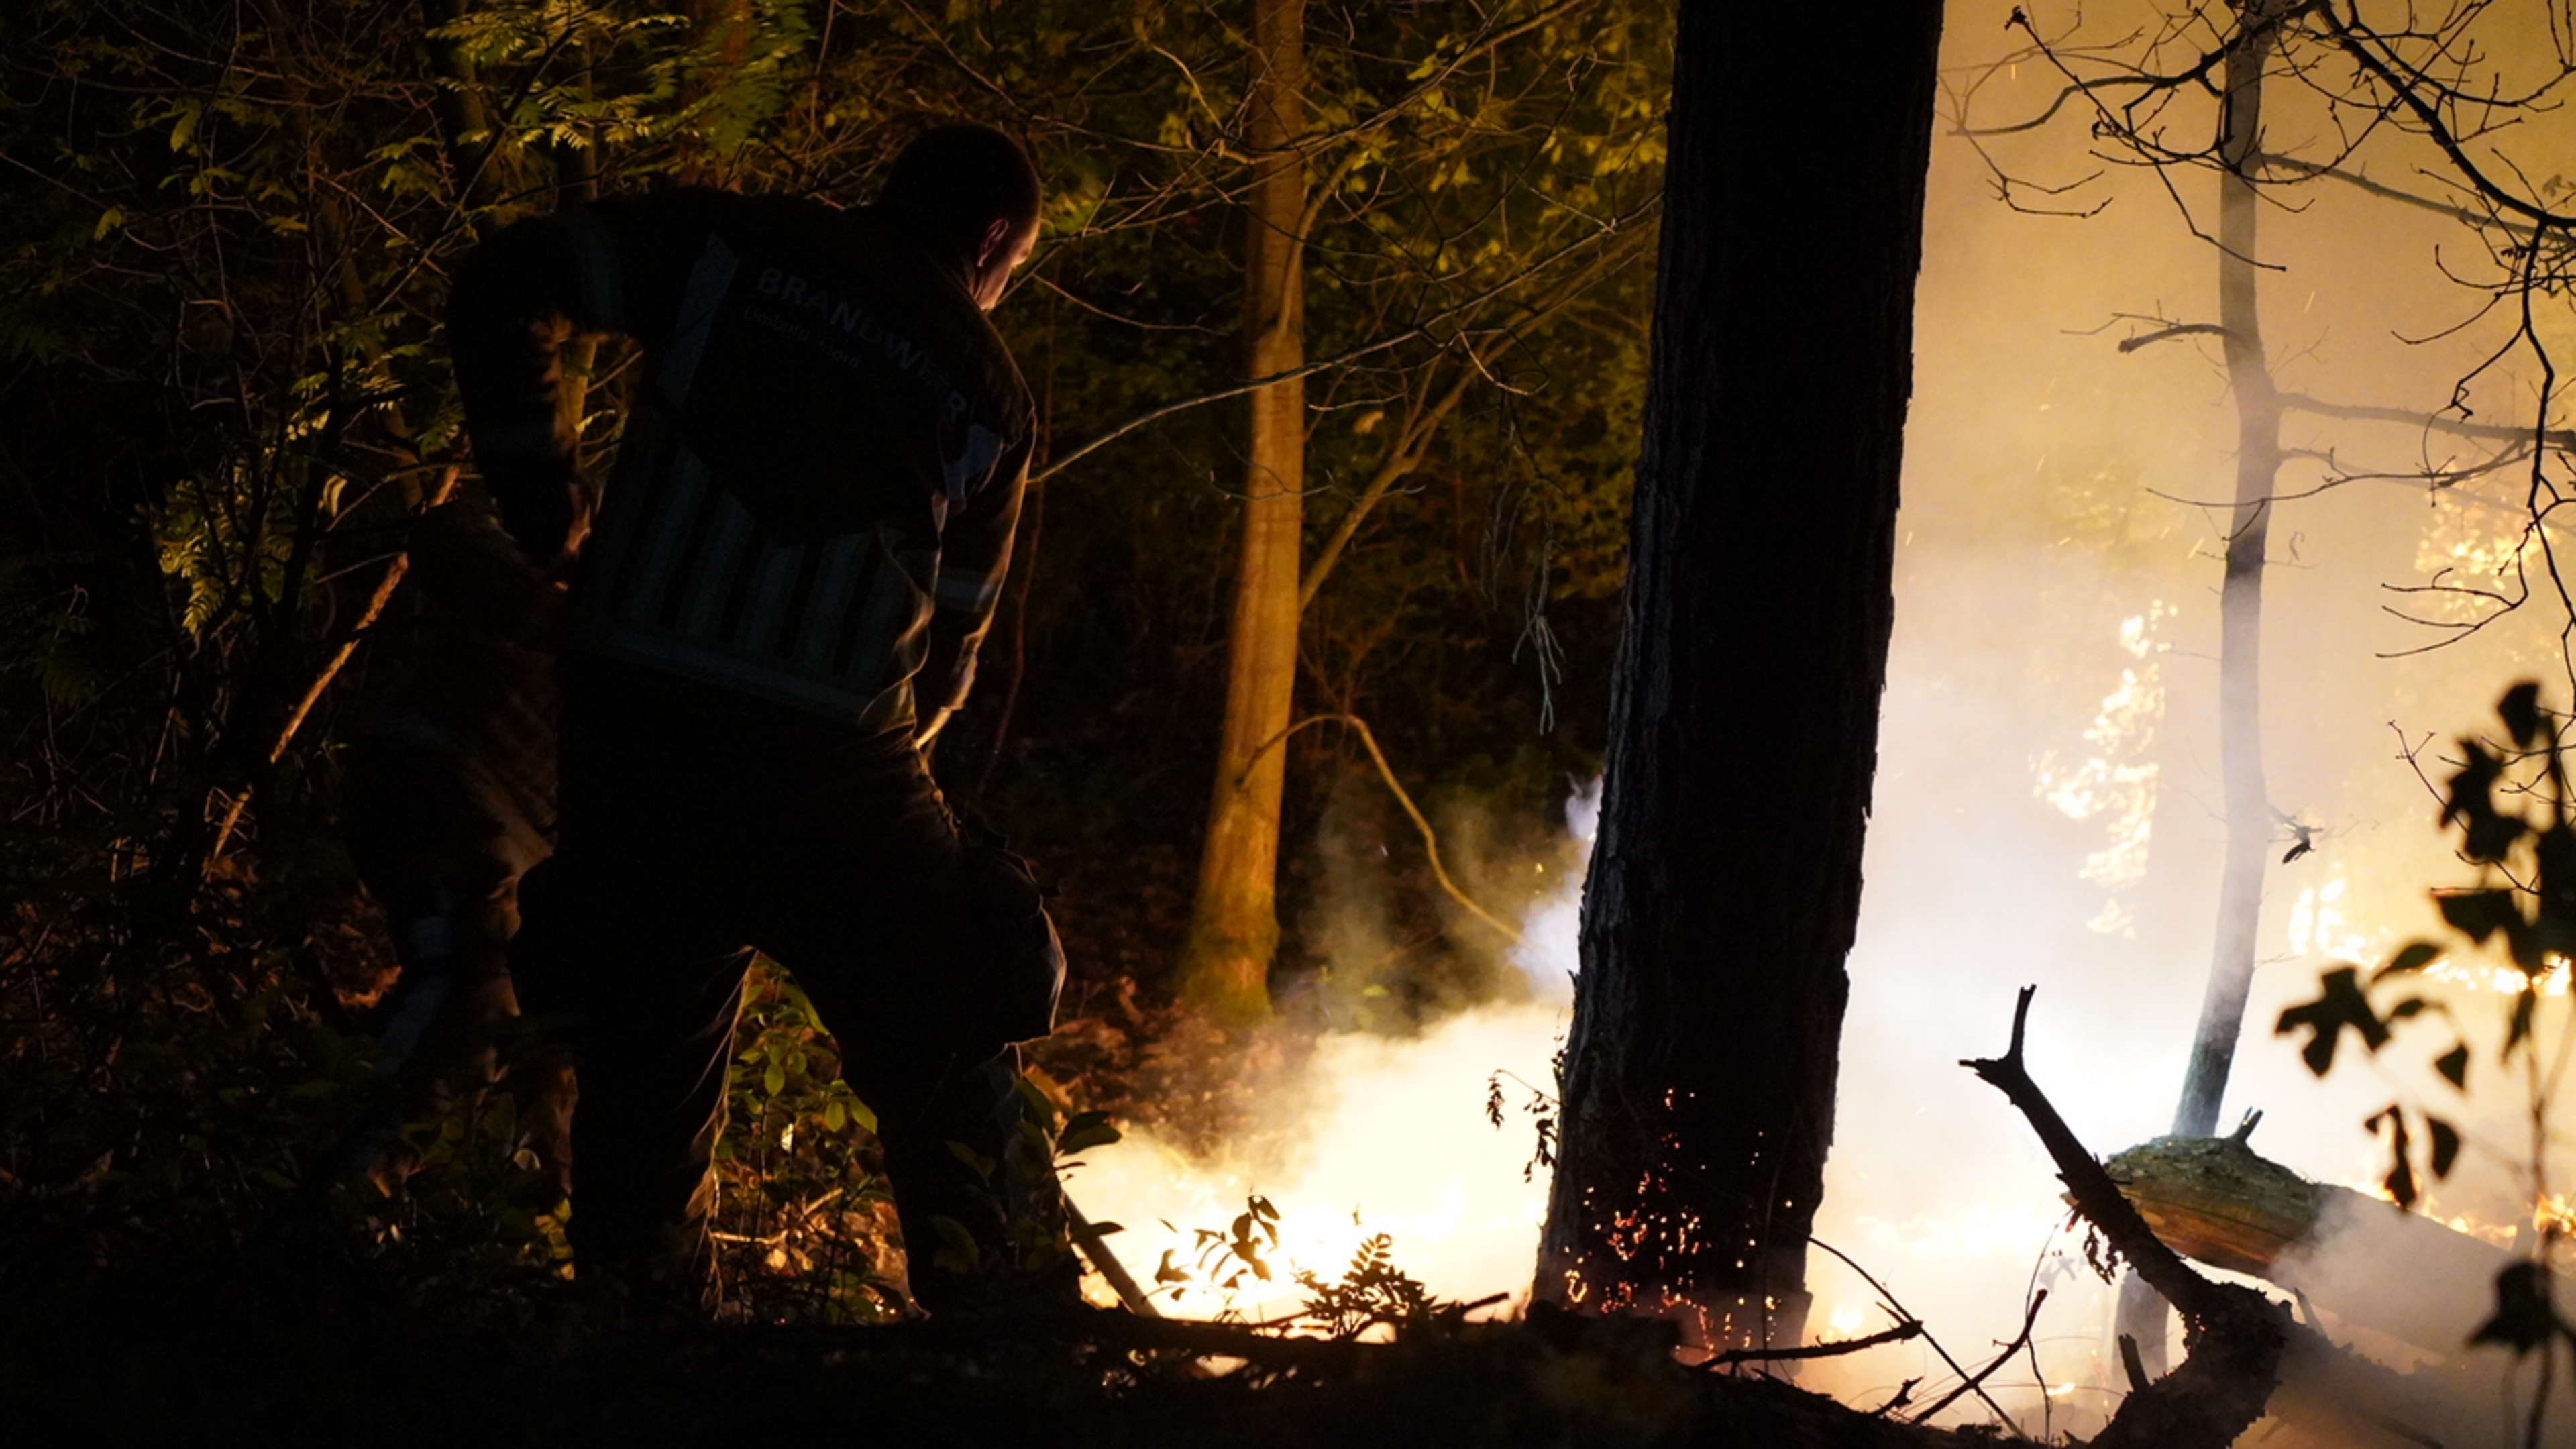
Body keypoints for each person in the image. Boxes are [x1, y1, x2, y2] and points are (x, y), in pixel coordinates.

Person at [445, 122, 1067, 1317]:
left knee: (645, 1074)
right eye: (1012, 265)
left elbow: (504, 281)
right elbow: (944, 665)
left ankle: (648, 1340)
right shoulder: (989, 387)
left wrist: (543, 497)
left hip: (633, 735)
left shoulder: (729, 240)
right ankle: (1014, 1339)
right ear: (991, 241)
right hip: (836, 765)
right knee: (953, 1016)